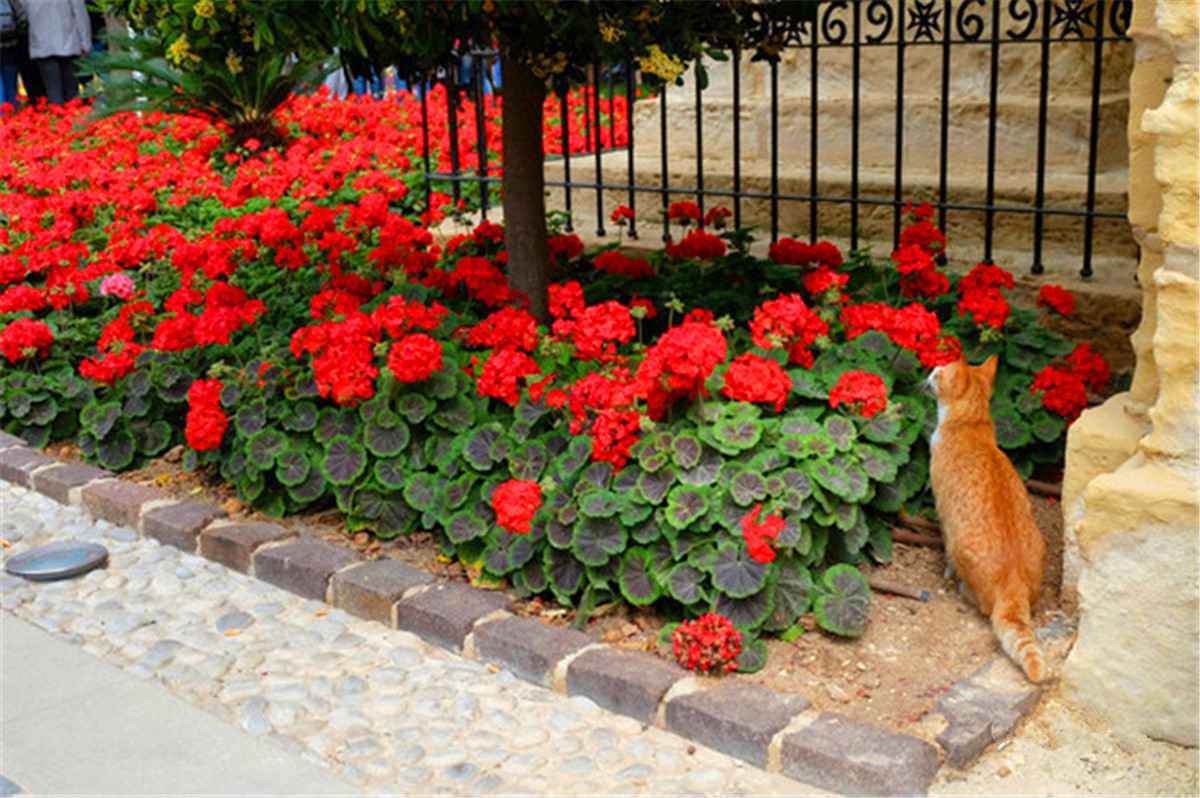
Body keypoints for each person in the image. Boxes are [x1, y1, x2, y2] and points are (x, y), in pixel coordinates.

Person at [24, 0, 91, 105]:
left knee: (53, 92)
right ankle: (74, 118)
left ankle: (57, 118)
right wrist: (85, 43)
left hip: (42, 46)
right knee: (72, 91)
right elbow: (80, 15)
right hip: (69, 45)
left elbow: (22, 14)